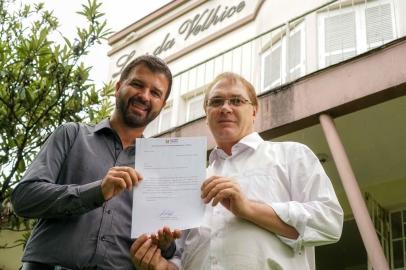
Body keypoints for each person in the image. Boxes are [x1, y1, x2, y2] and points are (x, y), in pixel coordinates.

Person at [132, 72, 344, 270]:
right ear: (206, 114)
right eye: (216, 102)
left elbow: (329, 222)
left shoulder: (292, 155)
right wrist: (161, 264)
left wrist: (249, 209)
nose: (225, 108)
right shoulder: (192, 178)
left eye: (236, 100)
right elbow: (183, 256)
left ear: (254, 111)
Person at [11, 55, 180, 270]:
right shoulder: (71, 135)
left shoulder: (160, 166)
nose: (144, 96)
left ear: (162, 105)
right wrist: (97, 191)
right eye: (137, 84)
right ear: (118, 87)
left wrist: (165, 245)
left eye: (155, 93)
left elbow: (167, 245)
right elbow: (24, 199)